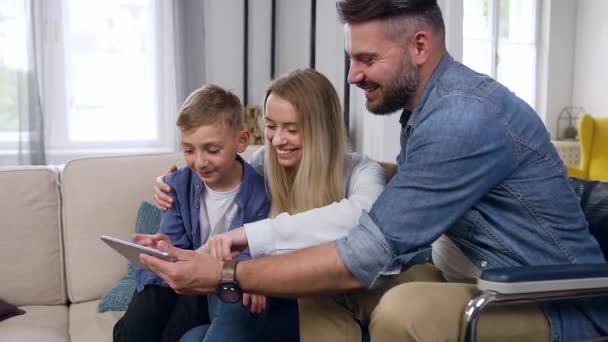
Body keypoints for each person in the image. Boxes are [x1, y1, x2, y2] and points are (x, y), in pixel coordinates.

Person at [143, 1, 608, 341]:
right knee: (325, 293)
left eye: (367, 59)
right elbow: (418, 179)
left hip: (547, 298)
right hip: (468, 276)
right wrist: (181, 179)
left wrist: (228, 273)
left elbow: (363, 253)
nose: (352, 75)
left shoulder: (462, 117)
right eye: (352, 59)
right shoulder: (427, 112)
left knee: (403, 310)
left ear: (420, 46)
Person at [153, 68, 388, 341]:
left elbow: (363, 217)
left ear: (322, 129)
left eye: (291, 129)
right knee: (192, 337)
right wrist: (171, 185)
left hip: (330, 302)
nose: (276, 140)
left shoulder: (363, 172)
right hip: (272, 300)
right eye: (271, 126)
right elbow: (217, 181)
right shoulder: (263, 163)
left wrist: (253, 252)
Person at [113, 84, 298, 342]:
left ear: (241, 141)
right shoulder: (178, 184)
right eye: (189, 150)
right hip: (174, 277)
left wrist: (245, 272)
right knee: (146, 303)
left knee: (175, 331)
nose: (199, 161)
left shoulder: (260, 192)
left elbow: (253, 248)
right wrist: (165, 246)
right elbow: (173, 241)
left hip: (210, 285)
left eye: (212, 150)